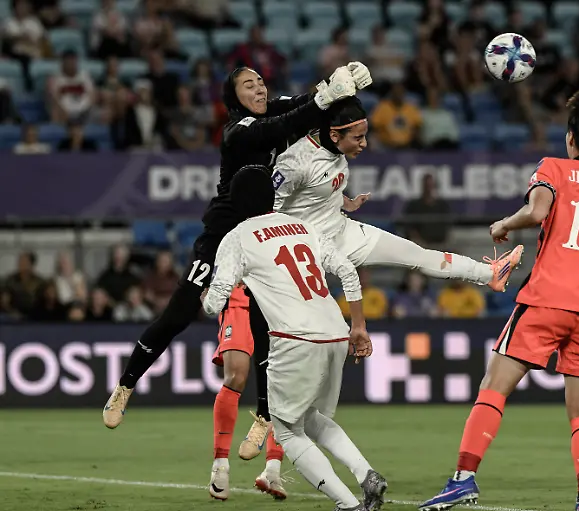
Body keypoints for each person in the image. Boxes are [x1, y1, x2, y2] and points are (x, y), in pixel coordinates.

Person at [248, 96, 524, 498]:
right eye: (358, 137)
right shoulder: (293, 163)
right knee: (307, 387)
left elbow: (316, 195)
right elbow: (266, 209)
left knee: (416, 255)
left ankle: (490, 275)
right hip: (311, 251)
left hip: (343, 230)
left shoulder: (334, 154)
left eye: (365, 135)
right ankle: (279, 459)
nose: (364, 144)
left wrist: (345, 202)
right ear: (334, 133)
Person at [103, 62, 372, 459]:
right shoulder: (237, 130)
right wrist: (326, 97)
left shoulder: (274, 108)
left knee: (269, 324)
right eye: (249, 85)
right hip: (222, 234)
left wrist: (340, 86)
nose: (259, 89)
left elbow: (305, 104)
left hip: (263, 233)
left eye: (261, 82)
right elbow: (287, 124)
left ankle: (264, 415)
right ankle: (126, 385)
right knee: (179, 312)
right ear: (234, 97)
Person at [419, 90, 579, 511]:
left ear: (571, 137)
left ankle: (463, 479)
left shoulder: (554, 167)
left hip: (546, 302)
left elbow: (536, 212)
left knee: (493, 388)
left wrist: (503, 224)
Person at [202, 167, 387, 511]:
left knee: (287, 431)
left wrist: (207, 298)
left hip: (295, 338)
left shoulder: (238, 237)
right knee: (312, 419)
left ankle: (348, 505)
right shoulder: (303, 226)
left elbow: (215, 302)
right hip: (335, 333)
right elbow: (347, 270)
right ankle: (366, 475)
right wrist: (358, 325)